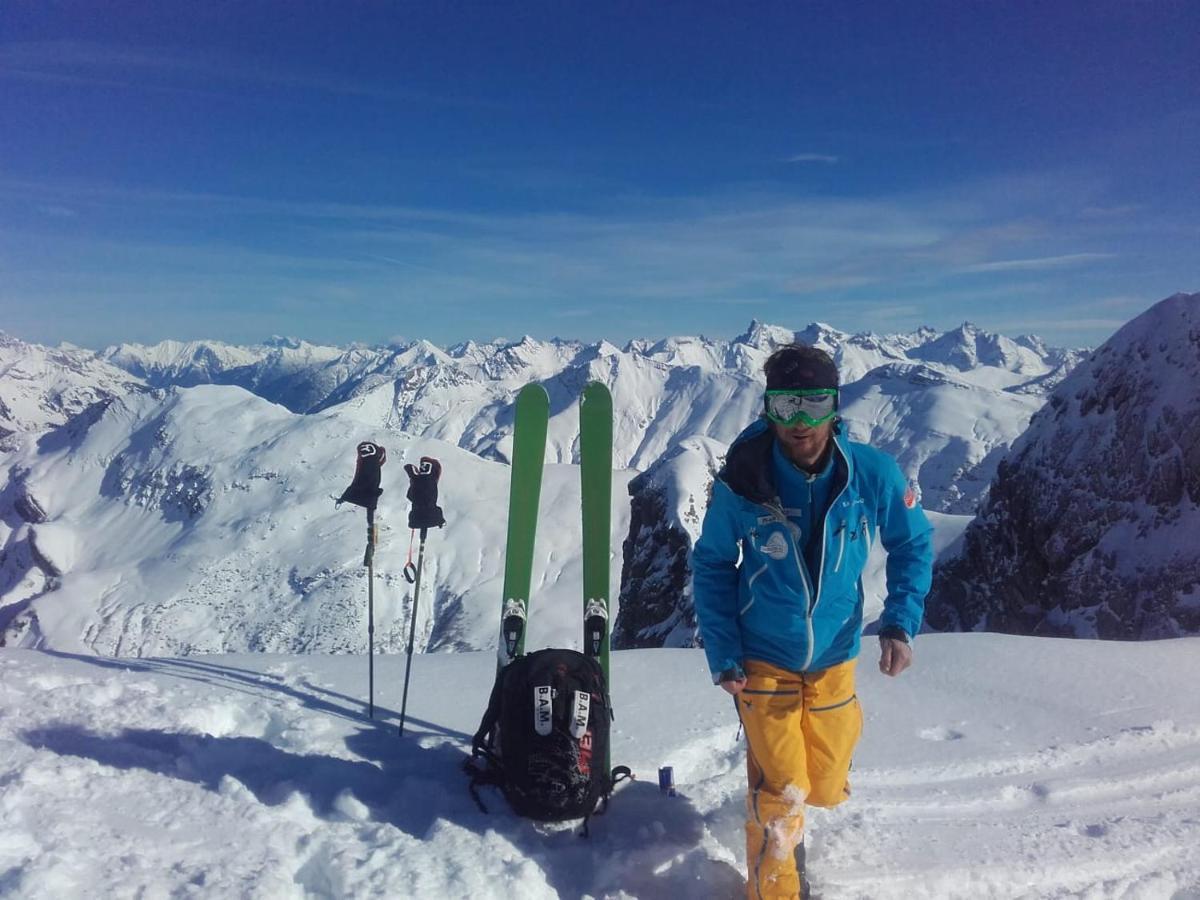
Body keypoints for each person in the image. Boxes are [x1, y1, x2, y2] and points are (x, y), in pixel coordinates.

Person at [692, 343, 934, 900]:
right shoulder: (744, 480)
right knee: (782, 787)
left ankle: (792, 826)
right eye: (784, 405)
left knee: (823, 784)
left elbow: (913, 542)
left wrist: (900, 621)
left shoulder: (870, 473)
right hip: (761, 655)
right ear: (767, 408)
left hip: (835, 652)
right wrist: (723, 650)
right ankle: (776, 888)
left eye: (813, 403)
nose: (799, 421)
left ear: (834, 406)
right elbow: (710, 563)